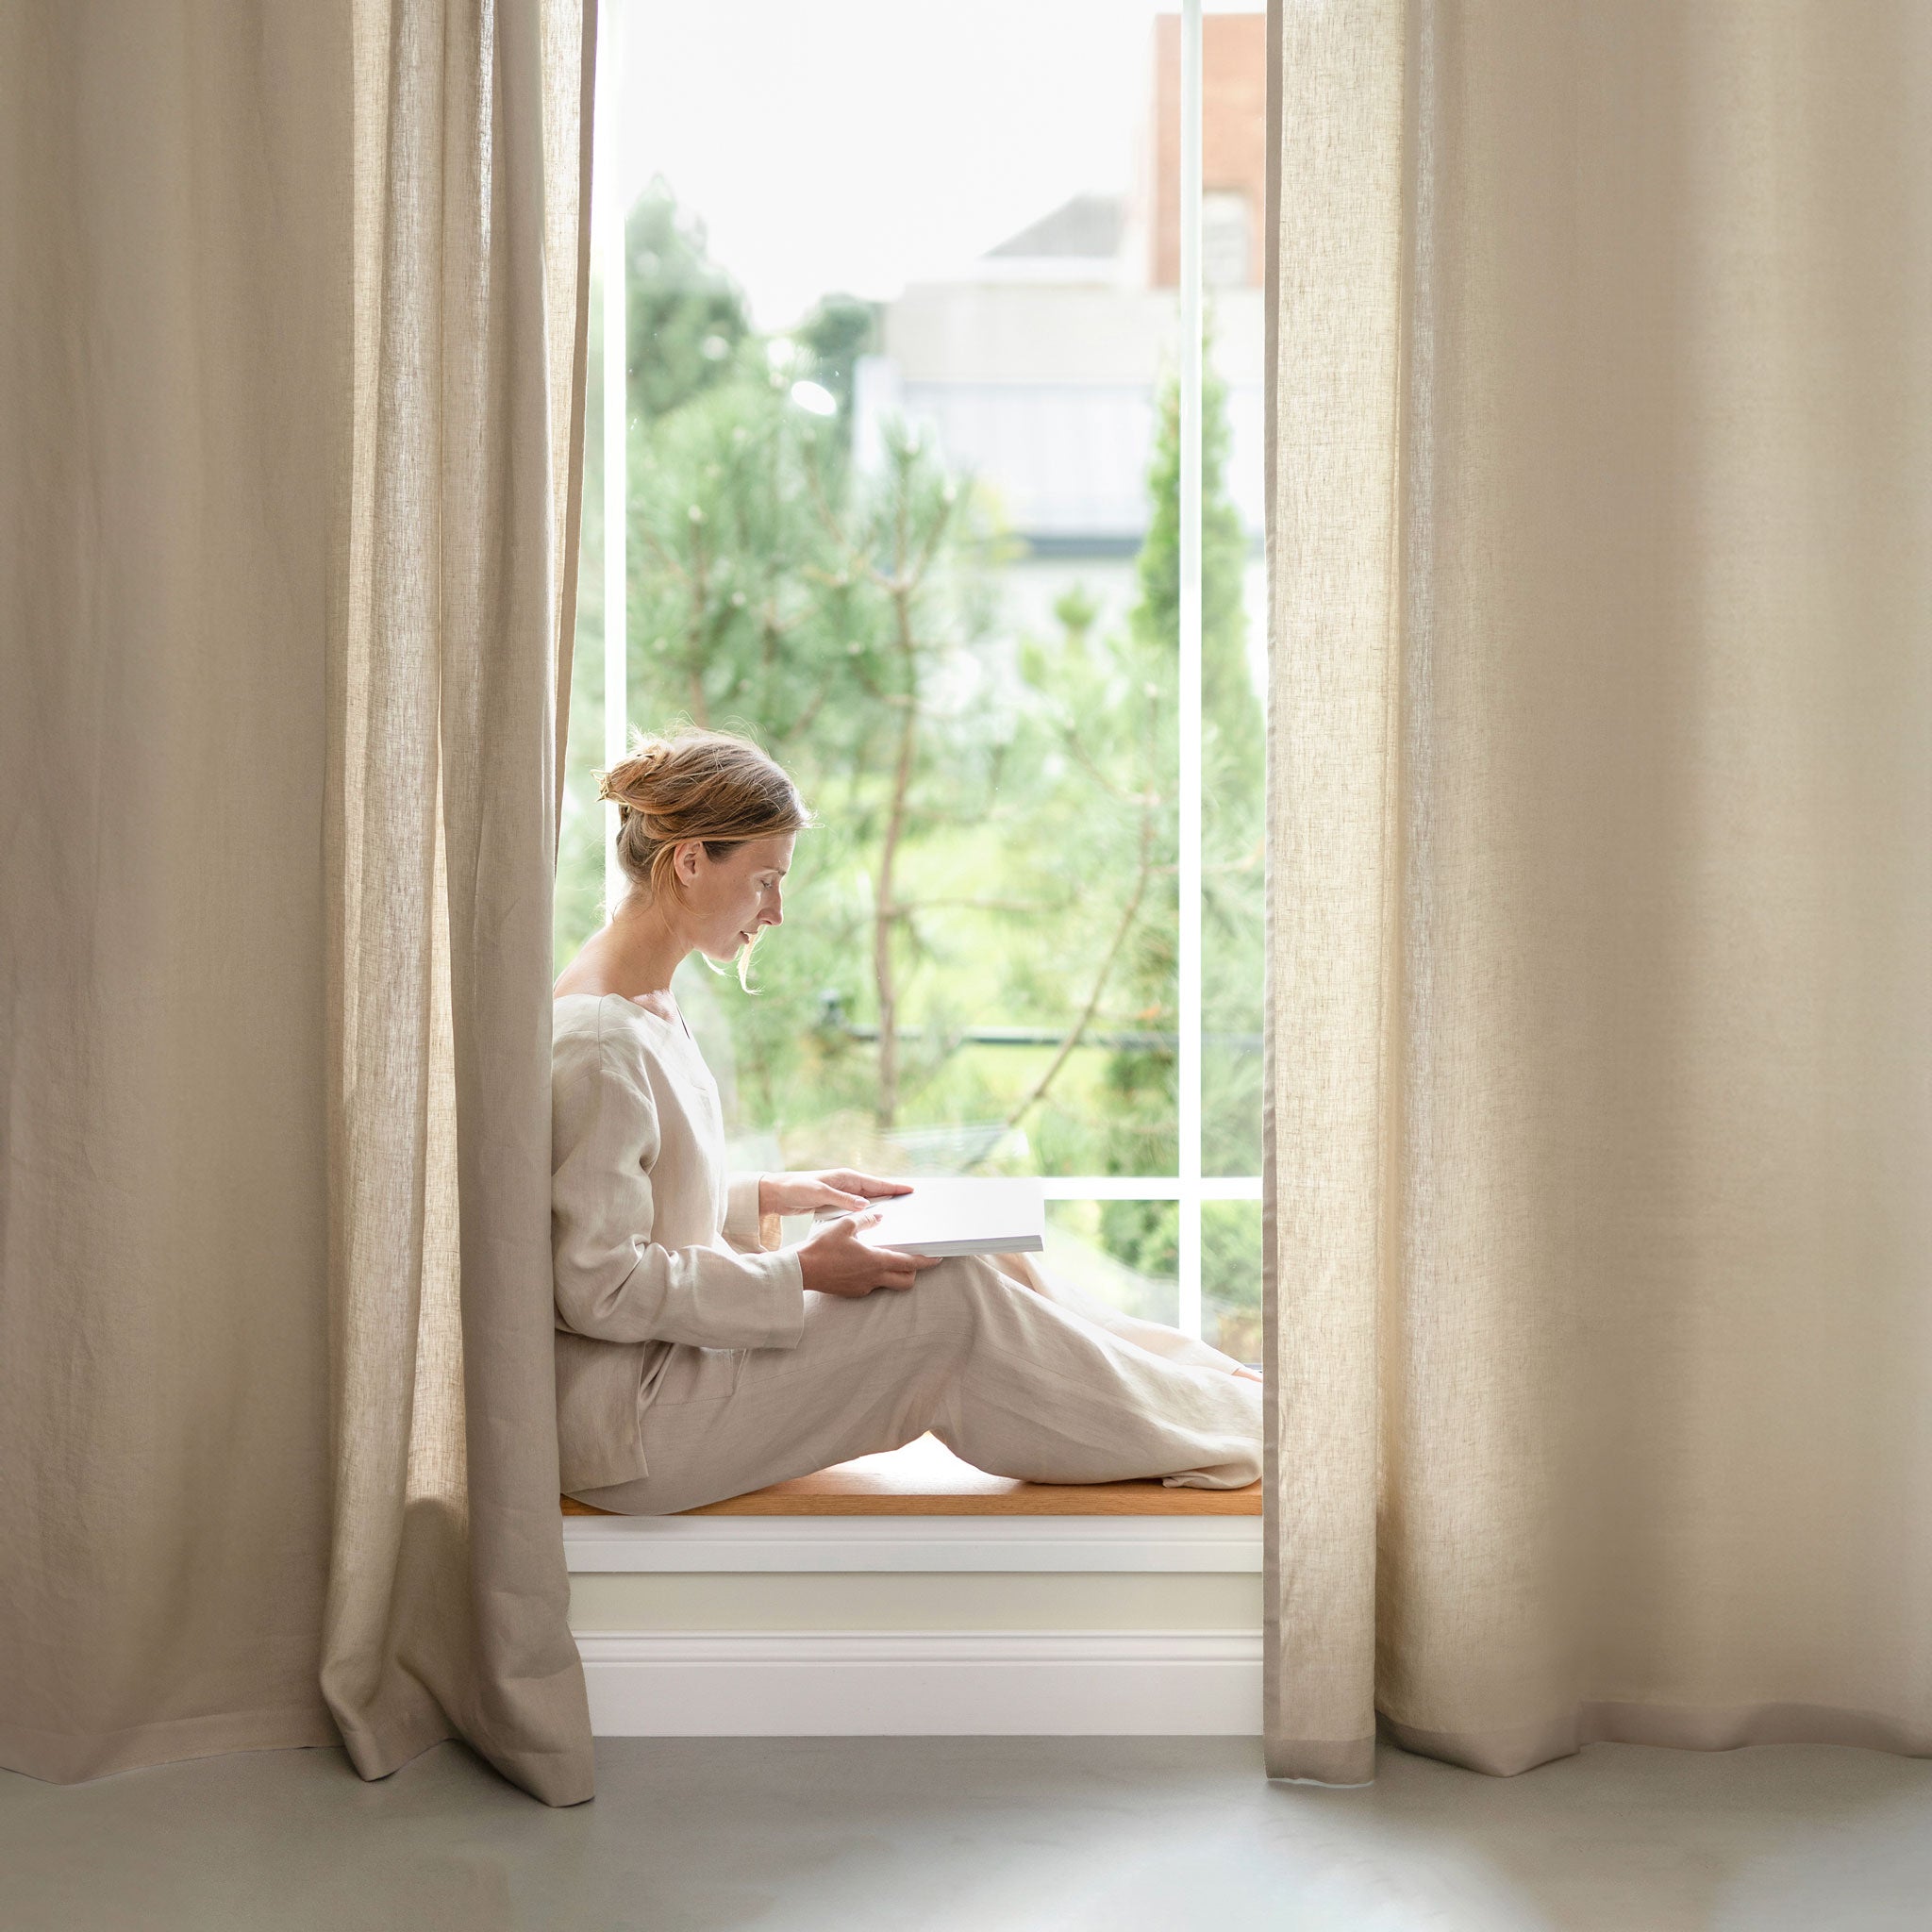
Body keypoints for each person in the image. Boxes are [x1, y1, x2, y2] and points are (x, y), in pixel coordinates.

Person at [550, 726, 1262, 1512]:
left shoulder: (646, 1002)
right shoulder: (597, 1041)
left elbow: (637, 1194)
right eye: (763, 880)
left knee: (965, 1257)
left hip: (677, 1364)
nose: (776, 910)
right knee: (943, 1304)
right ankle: (1231, 1425)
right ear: (689, 862)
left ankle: (1209, 1384)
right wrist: (801, 1274)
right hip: (639, 1426)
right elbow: (598, 1286)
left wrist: (772, 1195)